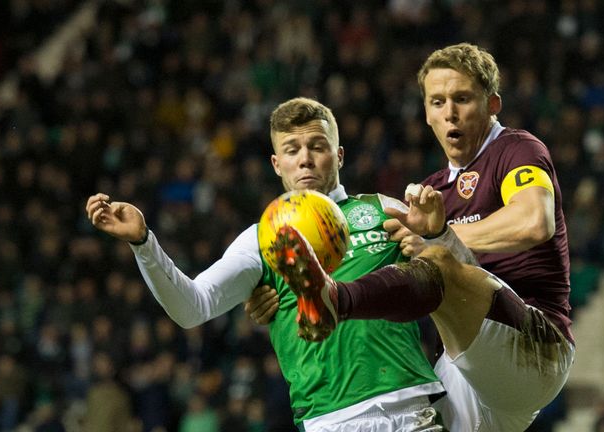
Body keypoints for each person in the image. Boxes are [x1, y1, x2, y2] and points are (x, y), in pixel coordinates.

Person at [248, 43, 575, 432]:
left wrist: (441, 237)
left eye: (462, 99)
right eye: (437, 102)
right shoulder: (432, 192)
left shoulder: (516, 150)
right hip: (468, 370)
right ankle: (330, 297)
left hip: (534, 345)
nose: (449, 112)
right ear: (426, 113)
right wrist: (280, 294)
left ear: (492, 104)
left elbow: (533, 222)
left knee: (436, 260)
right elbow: (383, 269)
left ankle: (338, 299)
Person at [85, 97, 447, 431]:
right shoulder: (262, 238)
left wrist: (431, 245)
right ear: (277, 163)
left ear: (338, 156)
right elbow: (192, 307)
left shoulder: (383, 209)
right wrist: (143, 243)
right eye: (292, 150)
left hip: (410, 405)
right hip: (329, 419)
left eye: (317, 146)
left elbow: (458, 275)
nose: (305, 158)